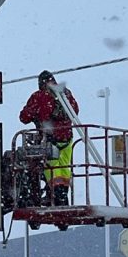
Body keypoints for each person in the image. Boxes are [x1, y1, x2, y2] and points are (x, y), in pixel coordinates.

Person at [19, 70, 80, 206]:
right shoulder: (66, 95)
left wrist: (37, 114)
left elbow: (24, 117)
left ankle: (56, 197)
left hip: (50, 140)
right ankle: (63, 198)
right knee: (64, 169)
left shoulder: (40, 96)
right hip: (67, 139)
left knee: (51, 169)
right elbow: (75, 111)